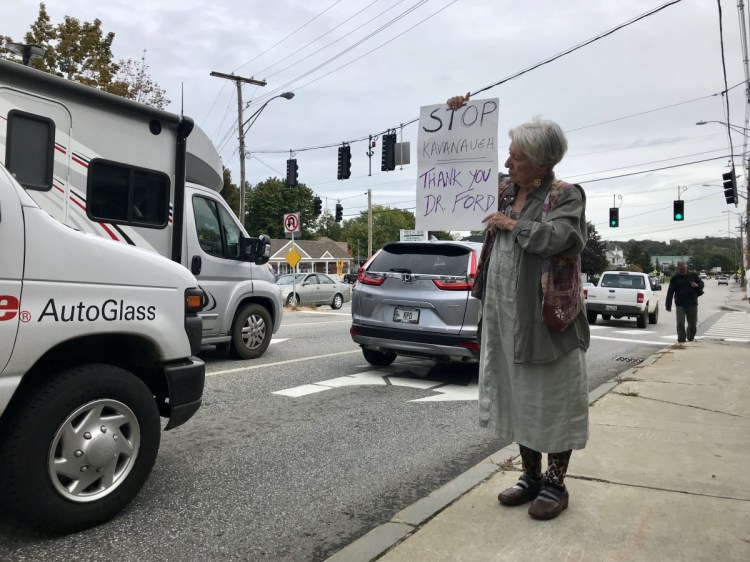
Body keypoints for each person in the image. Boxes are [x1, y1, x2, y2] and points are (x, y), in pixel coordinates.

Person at [447, 94, 590, 520]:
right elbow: (459, 174)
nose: (507, 165)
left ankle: (556, 483)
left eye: (517, 158)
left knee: (553, 396)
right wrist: (457, 123)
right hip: (503, 315)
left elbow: (560, 238)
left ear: (543, 163)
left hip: (545, 319)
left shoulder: (566, 196)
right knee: (517, 393)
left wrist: (514, 223)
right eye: (508, 157)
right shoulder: (503, 190)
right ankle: (530, 476)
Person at [665, 261, 704, 343]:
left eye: (683, 269)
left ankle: (690, 337)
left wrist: (697, 285)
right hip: (680, 303)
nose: (682, 270)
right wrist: (668, 305)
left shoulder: (693, 275)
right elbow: (670, 292)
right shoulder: (674, 278)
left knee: (692, 323)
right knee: (680, 322)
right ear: (677, 269)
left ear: (686, 267)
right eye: (680, 269)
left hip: (692, 302)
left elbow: (702, 284)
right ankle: (681, 339)